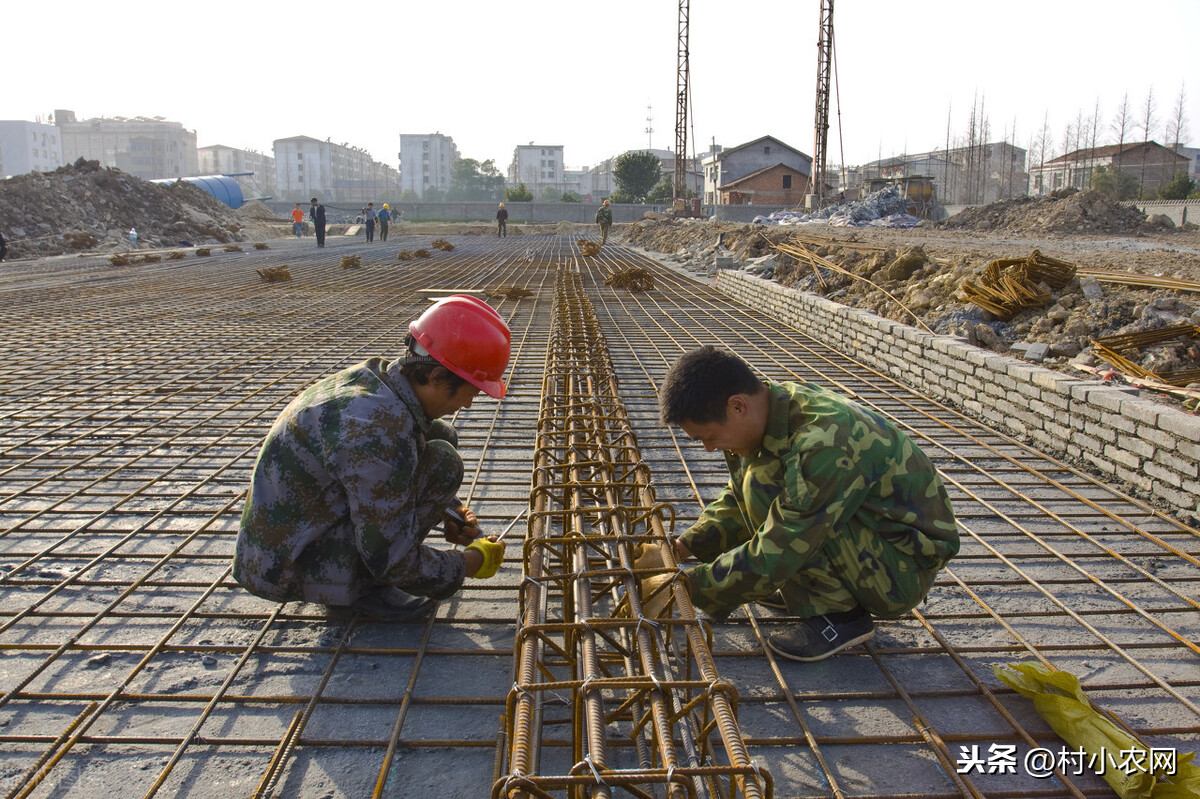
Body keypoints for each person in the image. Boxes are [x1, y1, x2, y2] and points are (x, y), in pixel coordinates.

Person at [654, 346, 959, 662]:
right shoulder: (776, 409)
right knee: (759, 481)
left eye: (709, 437)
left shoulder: (823, 443)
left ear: (737, 406)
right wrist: (682, 546)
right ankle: (807, 590)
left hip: (900, 568)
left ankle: (843, 616)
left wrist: (689, 586)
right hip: (870, 536)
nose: (706, 449)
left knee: (784, 506)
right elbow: (736, 499)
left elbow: (786, 540)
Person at [234, 295, 513, 621]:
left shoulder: (378, 380)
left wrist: (450, 509)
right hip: (284, 564)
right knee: (444, 462)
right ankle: (359, 589)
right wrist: (466, 564)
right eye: (472, 391)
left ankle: (357, 575)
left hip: (294, 531)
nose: (468, 404)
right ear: (437, 377)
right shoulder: (377, 433)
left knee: (440, 438)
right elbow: (392, 559)